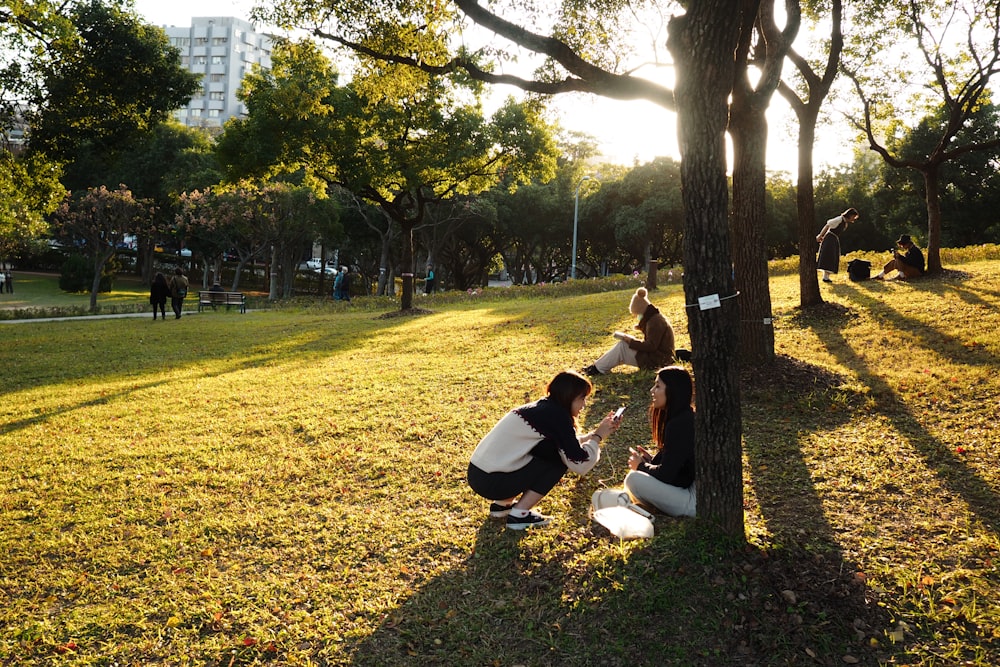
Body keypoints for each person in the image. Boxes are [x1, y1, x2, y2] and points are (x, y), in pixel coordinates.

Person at [467, 370, 622, 530]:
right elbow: (580, 462)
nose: (584, 404)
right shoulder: (557, 416)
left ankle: (502, 506)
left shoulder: (544, 408)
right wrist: (598, 437)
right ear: (568, 397)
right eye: (582, 398)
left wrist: (592, 435)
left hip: (480, 476)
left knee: (549, 451)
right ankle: (519, 515)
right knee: (557, 461)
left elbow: (564, 444)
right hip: (492, 481)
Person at [622, 366, 696, 517]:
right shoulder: (685, 417)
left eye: (658, 386)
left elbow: (669, 476)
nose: (652, 391)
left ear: (673, 391)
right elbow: (678, 464)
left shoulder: (679, 424)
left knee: (633, 478)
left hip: (692, 502)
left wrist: (642, 466)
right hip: (691, 494)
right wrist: (652, 461)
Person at [582, 287, 676, 376]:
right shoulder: (654, 318)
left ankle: (597, 368)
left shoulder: (654, 322)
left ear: (641, 311)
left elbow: (651, 346)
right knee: (623, 345)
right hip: (659, 357)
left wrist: (631, 342)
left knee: (622, 347)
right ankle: (597, 367)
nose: (637, 317)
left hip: (658, 360)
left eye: (637, 314)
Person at [816, 207, 860, 283]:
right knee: (829, 256)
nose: (854, 219)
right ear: (849, 215)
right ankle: (825, 277)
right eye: (853, 217)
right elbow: (827, 225)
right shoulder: (839, 219)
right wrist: (820, 236)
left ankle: (826, 276)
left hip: (834, 239)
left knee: (833, 256)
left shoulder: (845, 222)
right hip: (830, 238)